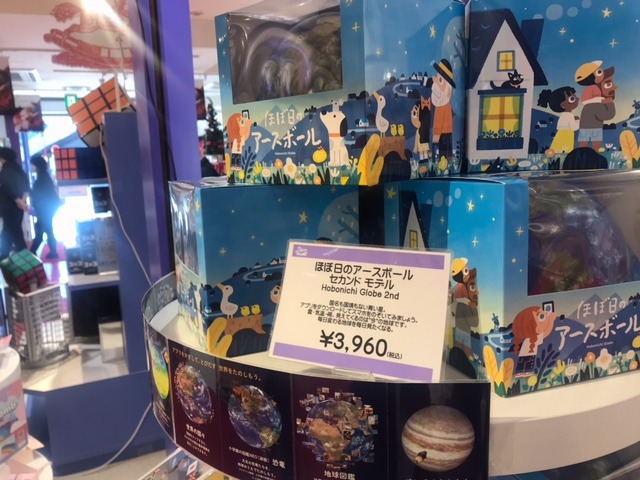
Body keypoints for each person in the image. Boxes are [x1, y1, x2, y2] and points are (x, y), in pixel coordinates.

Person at [28, 155, 61, 259]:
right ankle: (52, 252)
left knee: (41, 231)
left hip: (44, 210)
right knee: (47, 230)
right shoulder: (44, 176)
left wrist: (34, 209)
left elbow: (39, 196)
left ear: (36, 165)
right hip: (48, 209)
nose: (30, 167)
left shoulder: (41, 178)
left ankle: (32, 253)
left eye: (32, 164)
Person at [0, 146, 29, 260]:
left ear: (2, 158)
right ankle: (3, 258)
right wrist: (22, 201)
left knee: (16, 236)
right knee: (6, 234)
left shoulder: (5, 170)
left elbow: (7, 187)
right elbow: (26, 187)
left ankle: (28, 261)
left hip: (9, 207)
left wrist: (18, 201)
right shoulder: (18, 169)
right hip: (18, 208)